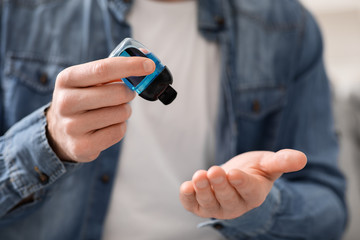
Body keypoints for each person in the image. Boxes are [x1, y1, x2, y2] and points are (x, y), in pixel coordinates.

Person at [0, 0, 347, 239]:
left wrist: (259, 206)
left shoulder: (290, 26)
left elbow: (329, 212)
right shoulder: (17, 12)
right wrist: (47, 141)